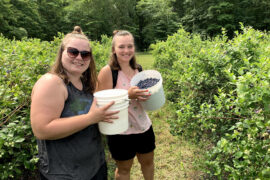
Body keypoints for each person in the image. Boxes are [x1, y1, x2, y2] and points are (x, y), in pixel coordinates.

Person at [30, 26, 119, 180]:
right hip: (64, 174)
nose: (79, 57)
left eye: (85, 54)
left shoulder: (86, 83)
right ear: (61, 52)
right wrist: (91, 118)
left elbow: (90, 119)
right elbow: (41, 129)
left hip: (95, 167)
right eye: (73, 52)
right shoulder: (52, 82)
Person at [97, 30, 156, 180]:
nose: (126, 50)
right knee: (124, 170)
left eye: (130, 46)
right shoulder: (108, 72)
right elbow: (99, 104)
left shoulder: (139, 69)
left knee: (148, 163)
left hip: (143, 126)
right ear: (114, 49)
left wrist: (149, 96)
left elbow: (143, 99)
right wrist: (127, 95)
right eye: (121, 46)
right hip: (120, 133)